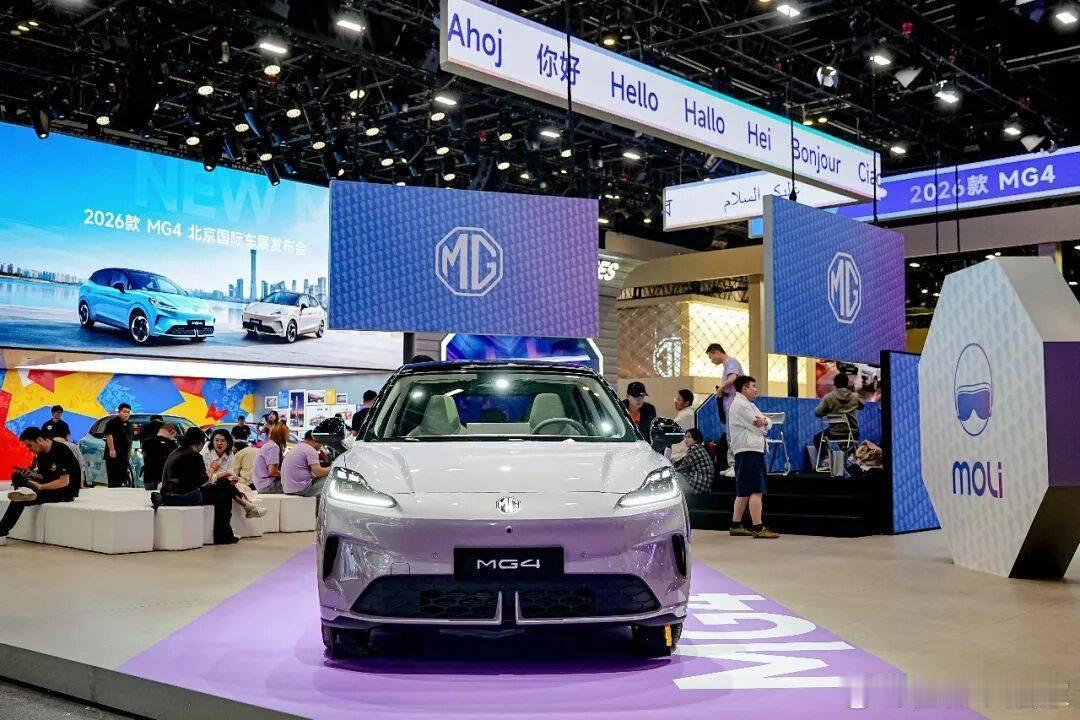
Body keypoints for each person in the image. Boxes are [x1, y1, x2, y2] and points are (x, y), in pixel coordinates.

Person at [153, 428, 240, 545]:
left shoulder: (176, 452)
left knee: (223, 488)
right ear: (200, 442)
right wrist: (213, 468)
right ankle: (223, 536)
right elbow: (203, 482)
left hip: (168, 494)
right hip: (182, 496)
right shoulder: (194, 456)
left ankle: (224, 534)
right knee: (224, 493)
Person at [0, 428, 81, 546]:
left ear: (39, 440)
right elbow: (44, 476)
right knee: (17, 476)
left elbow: (64, 482)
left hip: (65, 490)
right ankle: (26, 491)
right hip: (48, 484)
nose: (29, 449)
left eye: (30, 445)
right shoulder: (41, 454)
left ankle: (1, 532)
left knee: (19, 499)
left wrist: (41, 487)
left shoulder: (61, 451)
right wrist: (31, 474)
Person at [727, 375, 779, 539]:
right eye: (753, 386)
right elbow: (759, 428)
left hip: (748, 450)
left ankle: (735, 525)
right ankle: (758, 527)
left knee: (743, 491)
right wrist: (765, 423)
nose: (756, 390)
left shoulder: (748, 404)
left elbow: (766, 422)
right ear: (744, 388)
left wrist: (765, 421)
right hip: (749, 451)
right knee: (756, 490)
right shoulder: (741, 405)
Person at [707, 343, 745, 478]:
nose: (712, 361)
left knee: (733, 435)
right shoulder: (728, 365)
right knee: (730, 436)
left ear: (716, 352)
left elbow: (732, 378)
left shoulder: (731, 362)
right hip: (730, 405)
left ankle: (737, 464)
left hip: (734, 405)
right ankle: (733, 464)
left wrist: (720, 390)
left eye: (711, 357)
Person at [813, 373, 865, 456]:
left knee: (817, 438)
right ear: (847, 384)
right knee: (853, 435)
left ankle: (826, 458)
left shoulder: (828, 397)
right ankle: (851, 455)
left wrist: (827, 410)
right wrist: (854, 391)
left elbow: (817, 413)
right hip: (851, 433)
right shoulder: (854, 396)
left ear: (835, 384)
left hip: (834, 433)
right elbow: (862, 406)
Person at [281, 431, 330, 497]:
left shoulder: (297, 447)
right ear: (315, 440)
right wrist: (332, 469)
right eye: (321, 443)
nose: (321, 446)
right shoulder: (310, 450)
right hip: (303, 489)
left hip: (288, 489)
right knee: (332, 478)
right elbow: (319, 472)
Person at [141, 422, 179, 491]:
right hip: (164, 481)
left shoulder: (146, 442)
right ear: (172, 432)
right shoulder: (171, 445)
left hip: (148, 481)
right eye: (174, 436)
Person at [674, 428, 713, 495]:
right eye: (685, 437)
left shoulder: (694, 450)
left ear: (696, 439)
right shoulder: (701, 448)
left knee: (675, 475)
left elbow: (681, 468)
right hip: (705, 486)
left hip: (697, 486)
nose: (686, 439)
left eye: (689, 437)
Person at [253, 421, 288, 494]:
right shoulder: (273, 447)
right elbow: (272, 471)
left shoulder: (268, 445)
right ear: (282, 436)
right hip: (268, 485)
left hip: (261, 484)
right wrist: (288, 475)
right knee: (301, 485)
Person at [104, 403, 133, 487]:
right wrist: (112, 449)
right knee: (113, 476)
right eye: (124, 412)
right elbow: (109, 435)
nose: (126, 414)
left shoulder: (128, 424)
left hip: (124, 454)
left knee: (122, 476)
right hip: (114, 453)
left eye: (128, 412)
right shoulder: (112, 422)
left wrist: (130, 449)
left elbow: (129, 438)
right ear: (119, 412)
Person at [669, 389, 697, 462]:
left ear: (686, 403)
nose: (675, 401)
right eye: (676, 399)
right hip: (682, 454)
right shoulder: (686, 413)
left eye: (679, 400)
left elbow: (670, 429)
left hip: (682, 455)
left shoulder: (686, 415)